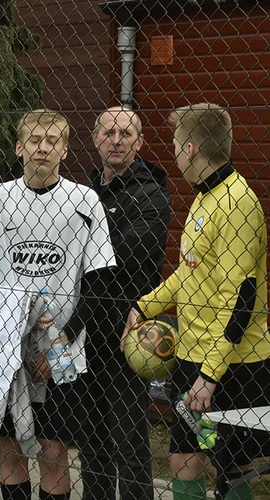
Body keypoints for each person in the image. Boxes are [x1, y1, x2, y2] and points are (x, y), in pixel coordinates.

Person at [0, 109, 116, 500]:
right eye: (34, 140)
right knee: (10, 449)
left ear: (64, 150)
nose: (42, 148)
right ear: (19, 148)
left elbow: (99, 282)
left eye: (51, 142)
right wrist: (8, 313)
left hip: (62, 346)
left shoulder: (85, 200)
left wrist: (61, 340)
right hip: (5, 348)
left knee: (53, 451)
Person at [124, 103, 270, 500]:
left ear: (190, 148)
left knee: (233, 468)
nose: (171, 150)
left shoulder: (238, 201)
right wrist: (144, 305)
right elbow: (189, 275)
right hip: (193, 359)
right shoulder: (203, 199)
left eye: (174, 142)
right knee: (184, 459)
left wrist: (210, 375)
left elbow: (241, 298)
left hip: (232, 365)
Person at [72, 106, 172, 500]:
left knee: (128, 443)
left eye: (126, 134)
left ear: (139, 143)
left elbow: (114, 258)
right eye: (109, 133)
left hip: (126, 336)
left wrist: (79, 252)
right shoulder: (86, 191)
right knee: (91, 442)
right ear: (95, 140)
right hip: (84, 331)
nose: (116, 140)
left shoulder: (152, 194)